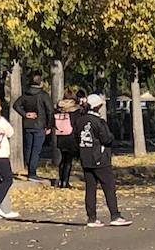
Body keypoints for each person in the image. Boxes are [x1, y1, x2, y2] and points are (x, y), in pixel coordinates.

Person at [73, 93, 131, 228]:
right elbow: (107, 139)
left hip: (85, 157)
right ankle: (115, 215)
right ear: (97, 107)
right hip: (100, 158)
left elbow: (76, 138)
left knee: (90, 188)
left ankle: (91, 218)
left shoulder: (80, 120)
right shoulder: (98, 122)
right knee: (109, 187)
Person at [15, 74, 54, 180]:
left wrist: (25, 114)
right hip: (40, 124)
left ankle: (29, 169)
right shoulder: (43, 95)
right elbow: (50, 110)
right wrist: (49, 125)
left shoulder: (26, 94)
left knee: (28, 148)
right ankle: (32, 172)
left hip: (28, 124)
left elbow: (16, 105)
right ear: (41, 83)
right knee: (36, 149)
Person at [52, 95, 78, 188]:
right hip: (71, 137)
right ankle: (65, 181)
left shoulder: (58, 111)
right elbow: (76, 124)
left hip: (60, 136)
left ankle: (61, 179)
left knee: (62, 160)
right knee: (68, 161)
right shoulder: (74, 112)